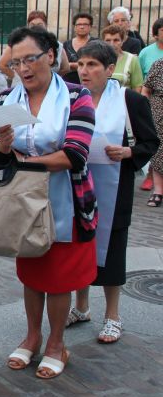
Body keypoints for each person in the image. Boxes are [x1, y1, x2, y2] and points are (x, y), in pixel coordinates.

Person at [0, 27, 98, 379]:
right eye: (16, 62)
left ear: (50, 55)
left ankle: (56, 342)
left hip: (68, 201)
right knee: (32, 274)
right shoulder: (5, 100)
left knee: (60, 277)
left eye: (30, 59)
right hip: (24, 202)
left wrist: (22, 160)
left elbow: (75, 155)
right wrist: (4, 146)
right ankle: (32, 337)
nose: (23, 68)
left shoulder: (77, 97)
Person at [67, 41, 158, 343]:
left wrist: (128, 152)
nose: (84, 71)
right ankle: (81, 308)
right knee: (80, 244)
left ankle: (113, 315)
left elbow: (150, 142)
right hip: (77, 184)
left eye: (92, 65)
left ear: (109, 69)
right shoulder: (71, 98)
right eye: (80, 64)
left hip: (114, 186)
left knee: (113, 249)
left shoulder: (129, 100)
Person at [0, 10, 70, 83]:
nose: (36, 28)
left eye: (39, 25)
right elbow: (2, 64)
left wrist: (52, 78)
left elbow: (66, 68)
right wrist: (16, 77)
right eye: (32, 25)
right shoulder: (17, 44)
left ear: (46, 25)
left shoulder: (57, 45)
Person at [142, 58, 163, 207]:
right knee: (159, 152)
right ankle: (158, 191)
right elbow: (146, 89)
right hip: (159, 114)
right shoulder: (159, 64)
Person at [102, 25, 143, 92]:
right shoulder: (97, 58)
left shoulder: (132, 59)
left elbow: (137, 87)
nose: (111, 44)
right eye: (108, 40)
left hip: (125, 100)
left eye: (116, 40)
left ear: (122, 41)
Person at [62, 12, 96, 84]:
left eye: (85, 24)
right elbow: (62, 65)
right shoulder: (66, 44)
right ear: (74, 27)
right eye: (79, 24)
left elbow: (96, 63)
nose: (82, 27)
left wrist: (71, 65)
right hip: (68, 81)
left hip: (89, 81)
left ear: (90, 27)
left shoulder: (96, 43)